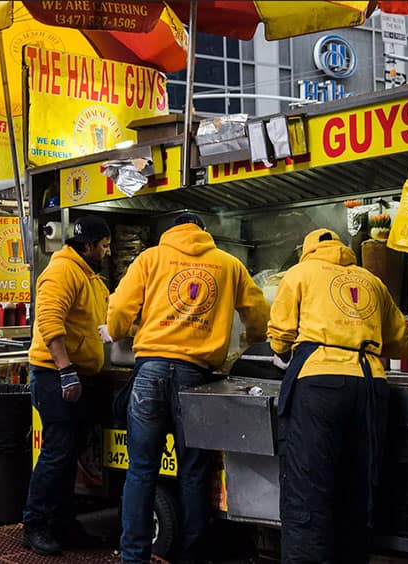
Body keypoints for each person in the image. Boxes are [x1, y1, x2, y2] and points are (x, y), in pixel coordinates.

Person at [108, 213, 270, 563]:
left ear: (170, 232)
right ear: (203, 232)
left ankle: (134, 556)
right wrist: (250, 339)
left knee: (141, 469)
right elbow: (259, 314)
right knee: (194, 471)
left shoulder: (150, 258)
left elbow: (119, 310)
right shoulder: (229, 264)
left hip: (149, 373)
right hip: (196, 378)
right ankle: (193, 556)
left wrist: (119, 328)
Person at [266, 229, 408, 563]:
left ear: (307, 252)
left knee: (309, 490)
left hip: (319, 386)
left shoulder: (299, 274)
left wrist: (285, 350)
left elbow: (279, 338)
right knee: (357, 490)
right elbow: (404, 342)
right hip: (370, 387)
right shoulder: (371, 280)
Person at [21, 216, 111, 556]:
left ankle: (62, 523)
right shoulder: (63, 271)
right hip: (54, 375)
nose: (107, 251)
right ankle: (35, 524)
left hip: (76, 375)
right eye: (103, 246)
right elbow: (49, 321)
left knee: (69, 454)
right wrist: (65, 370)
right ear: (87, 245)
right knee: (57, 453)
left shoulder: (89, 277)